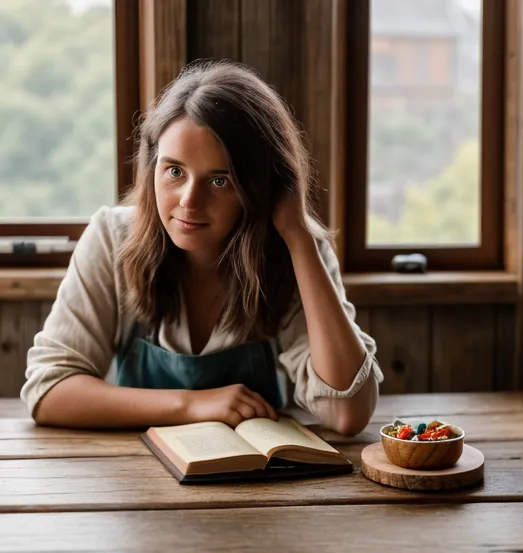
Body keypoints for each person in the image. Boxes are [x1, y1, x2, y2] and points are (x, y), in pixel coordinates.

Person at [22, 60, 382, 436]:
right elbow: (49, 390)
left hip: (262, 487)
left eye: (220, 180)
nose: (189, 202)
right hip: (132, 479)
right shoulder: (112, 236)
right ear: (152, 167)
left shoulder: (294, 251)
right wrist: (192, 404)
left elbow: (347, 413)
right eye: (174, 171)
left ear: (261, 187)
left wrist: (297, 236)